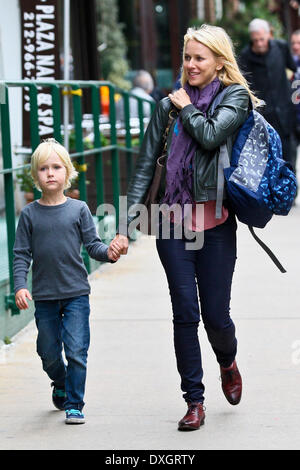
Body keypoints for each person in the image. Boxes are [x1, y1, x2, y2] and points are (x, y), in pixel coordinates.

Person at [111, 24, 259, 431]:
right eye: (187, 57)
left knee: (216, 317)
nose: (191, 65)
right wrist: (126, 224)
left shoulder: (235, 98)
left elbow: (211, 136)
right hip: (170, 223)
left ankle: (227, 361)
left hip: (215, 224)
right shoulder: (166, 107)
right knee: (184, 315)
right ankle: (194, 400)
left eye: (199, 58)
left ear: (218, 61)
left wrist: (187, 107)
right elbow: (145, 167)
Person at [13, 139, 121, 425]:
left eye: (56, 167)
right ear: (35, 175)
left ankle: (74, 403)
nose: (50, 173)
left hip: (76, 294)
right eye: (43, 168)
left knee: (76, 351)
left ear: (68, 172)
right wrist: (20, 285)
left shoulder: (79, 209)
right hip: (45, 296)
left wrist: (108, 253)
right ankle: (59, 380)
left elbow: (93, 245)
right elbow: (21, 255)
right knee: (48, 352)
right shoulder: (29, 215)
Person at [239, 18, 296, 166]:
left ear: (269, 35)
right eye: (255, 40)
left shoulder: (281, 47)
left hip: (285, 116)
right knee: (267, 166)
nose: (259, 44)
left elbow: (294, 71)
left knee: (289, 163)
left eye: (262, 39)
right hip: (262, 119)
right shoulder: (245, 57)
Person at [290, 29, 300, 176]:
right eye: (293, 43)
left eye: (299, 43)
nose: (296, 46)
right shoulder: (289, 63)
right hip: (292, 120)